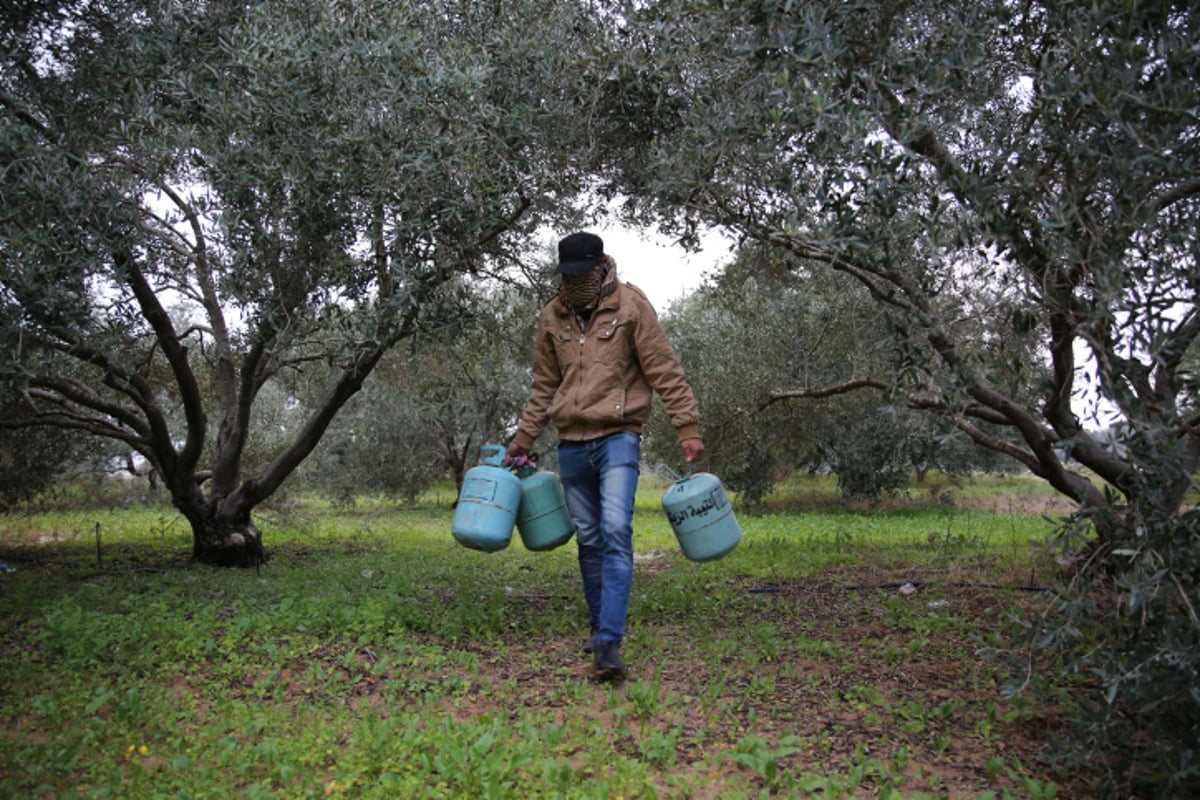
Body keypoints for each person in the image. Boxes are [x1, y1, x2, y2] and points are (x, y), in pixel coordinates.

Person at [506, 232, 704, 680]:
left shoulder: (631, 306)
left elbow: (662, 366)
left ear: (600, 267)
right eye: (567, 276)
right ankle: (599, 632)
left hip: (618, 437)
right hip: (571, 444)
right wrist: (522, 439)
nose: (573, 283)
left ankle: (610, 642)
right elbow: (543, 385)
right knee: (590, 538)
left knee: (616, 529)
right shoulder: (551, 316)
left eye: (581, 275)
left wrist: (685, 424)